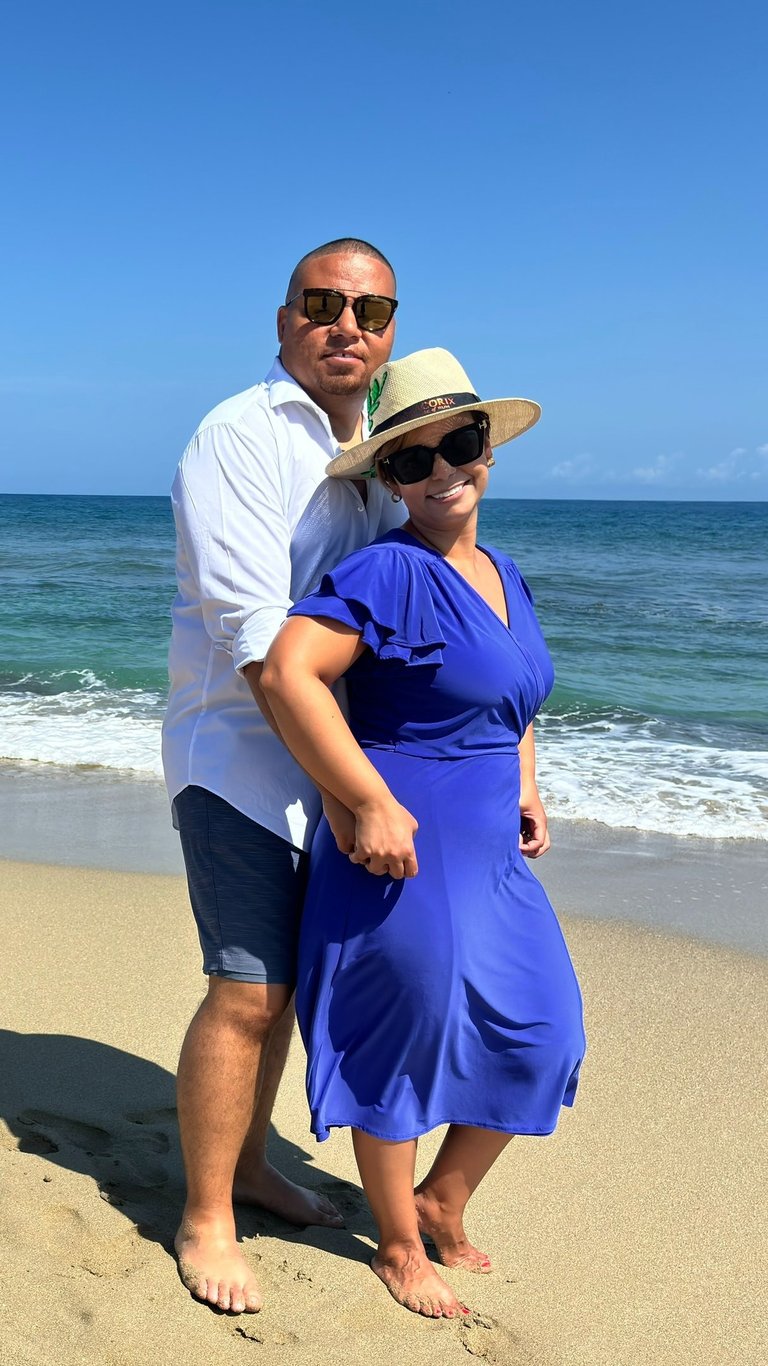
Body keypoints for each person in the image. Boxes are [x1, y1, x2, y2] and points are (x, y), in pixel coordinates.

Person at [260, 348, 586, 1320]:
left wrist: (528, 783)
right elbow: (288, 673)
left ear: (489, 449)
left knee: (546, 1030)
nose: (445, 470)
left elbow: (516, 694)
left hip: (489, 843)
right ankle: (399, 1241)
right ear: (392, 477)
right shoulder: (389, 571)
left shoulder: (504, 572)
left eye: (464, 443)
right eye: (417, 459)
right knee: (402, 1036)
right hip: (399, 842)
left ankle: (441, 1199)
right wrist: (362, 800)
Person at [161, 238, 402, 1314]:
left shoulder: (380, 452)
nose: (347, 323)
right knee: (249, 989)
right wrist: (362, 795)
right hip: (238, 762)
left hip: (334, 765)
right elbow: (261, 648)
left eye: (371, 309)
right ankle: (207, 1214)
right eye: (323, 303)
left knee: (294, 990)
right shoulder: (240, 437)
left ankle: (253, 1166)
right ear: (284, 318)